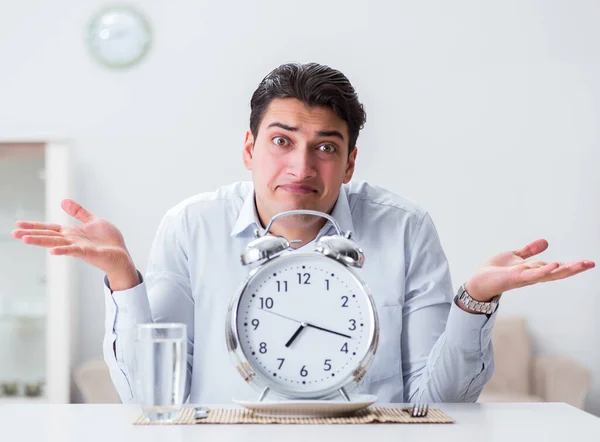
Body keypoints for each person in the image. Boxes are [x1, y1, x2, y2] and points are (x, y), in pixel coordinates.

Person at [12, 63, 594, 404]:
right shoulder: (192, 226)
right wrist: (123, 278)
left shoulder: (405, 228)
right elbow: (154, 399)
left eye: (325, 148)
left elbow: (436, 405)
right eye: (282, 141)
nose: (301, 168)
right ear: (249, 148)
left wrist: (476, 301)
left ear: (350, 162)